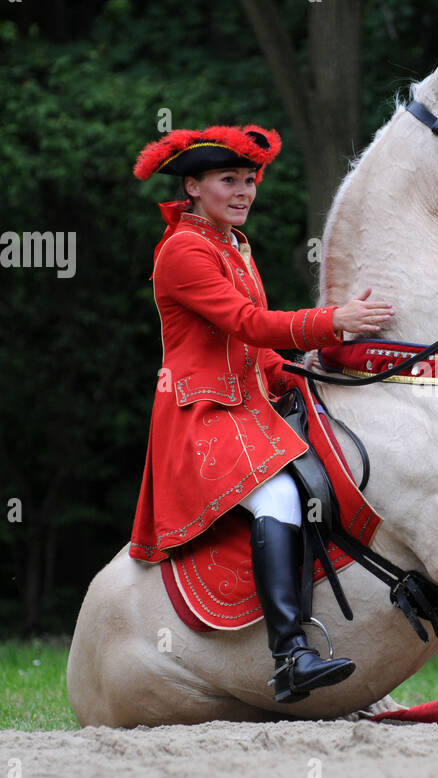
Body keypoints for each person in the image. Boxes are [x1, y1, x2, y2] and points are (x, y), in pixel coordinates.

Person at [128, 124, 394, 703]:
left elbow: (255, 351)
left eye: (250, 180)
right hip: (202, 415)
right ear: (193, 186)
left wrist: (312, 372)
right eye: (230, 180)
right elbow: (247, 324)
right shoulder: (183, 250)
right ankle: (290, 655)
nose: (245, 191)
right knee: (278, 496)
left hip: (249, 405)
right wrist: (334, 320)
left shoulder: (235, 246)